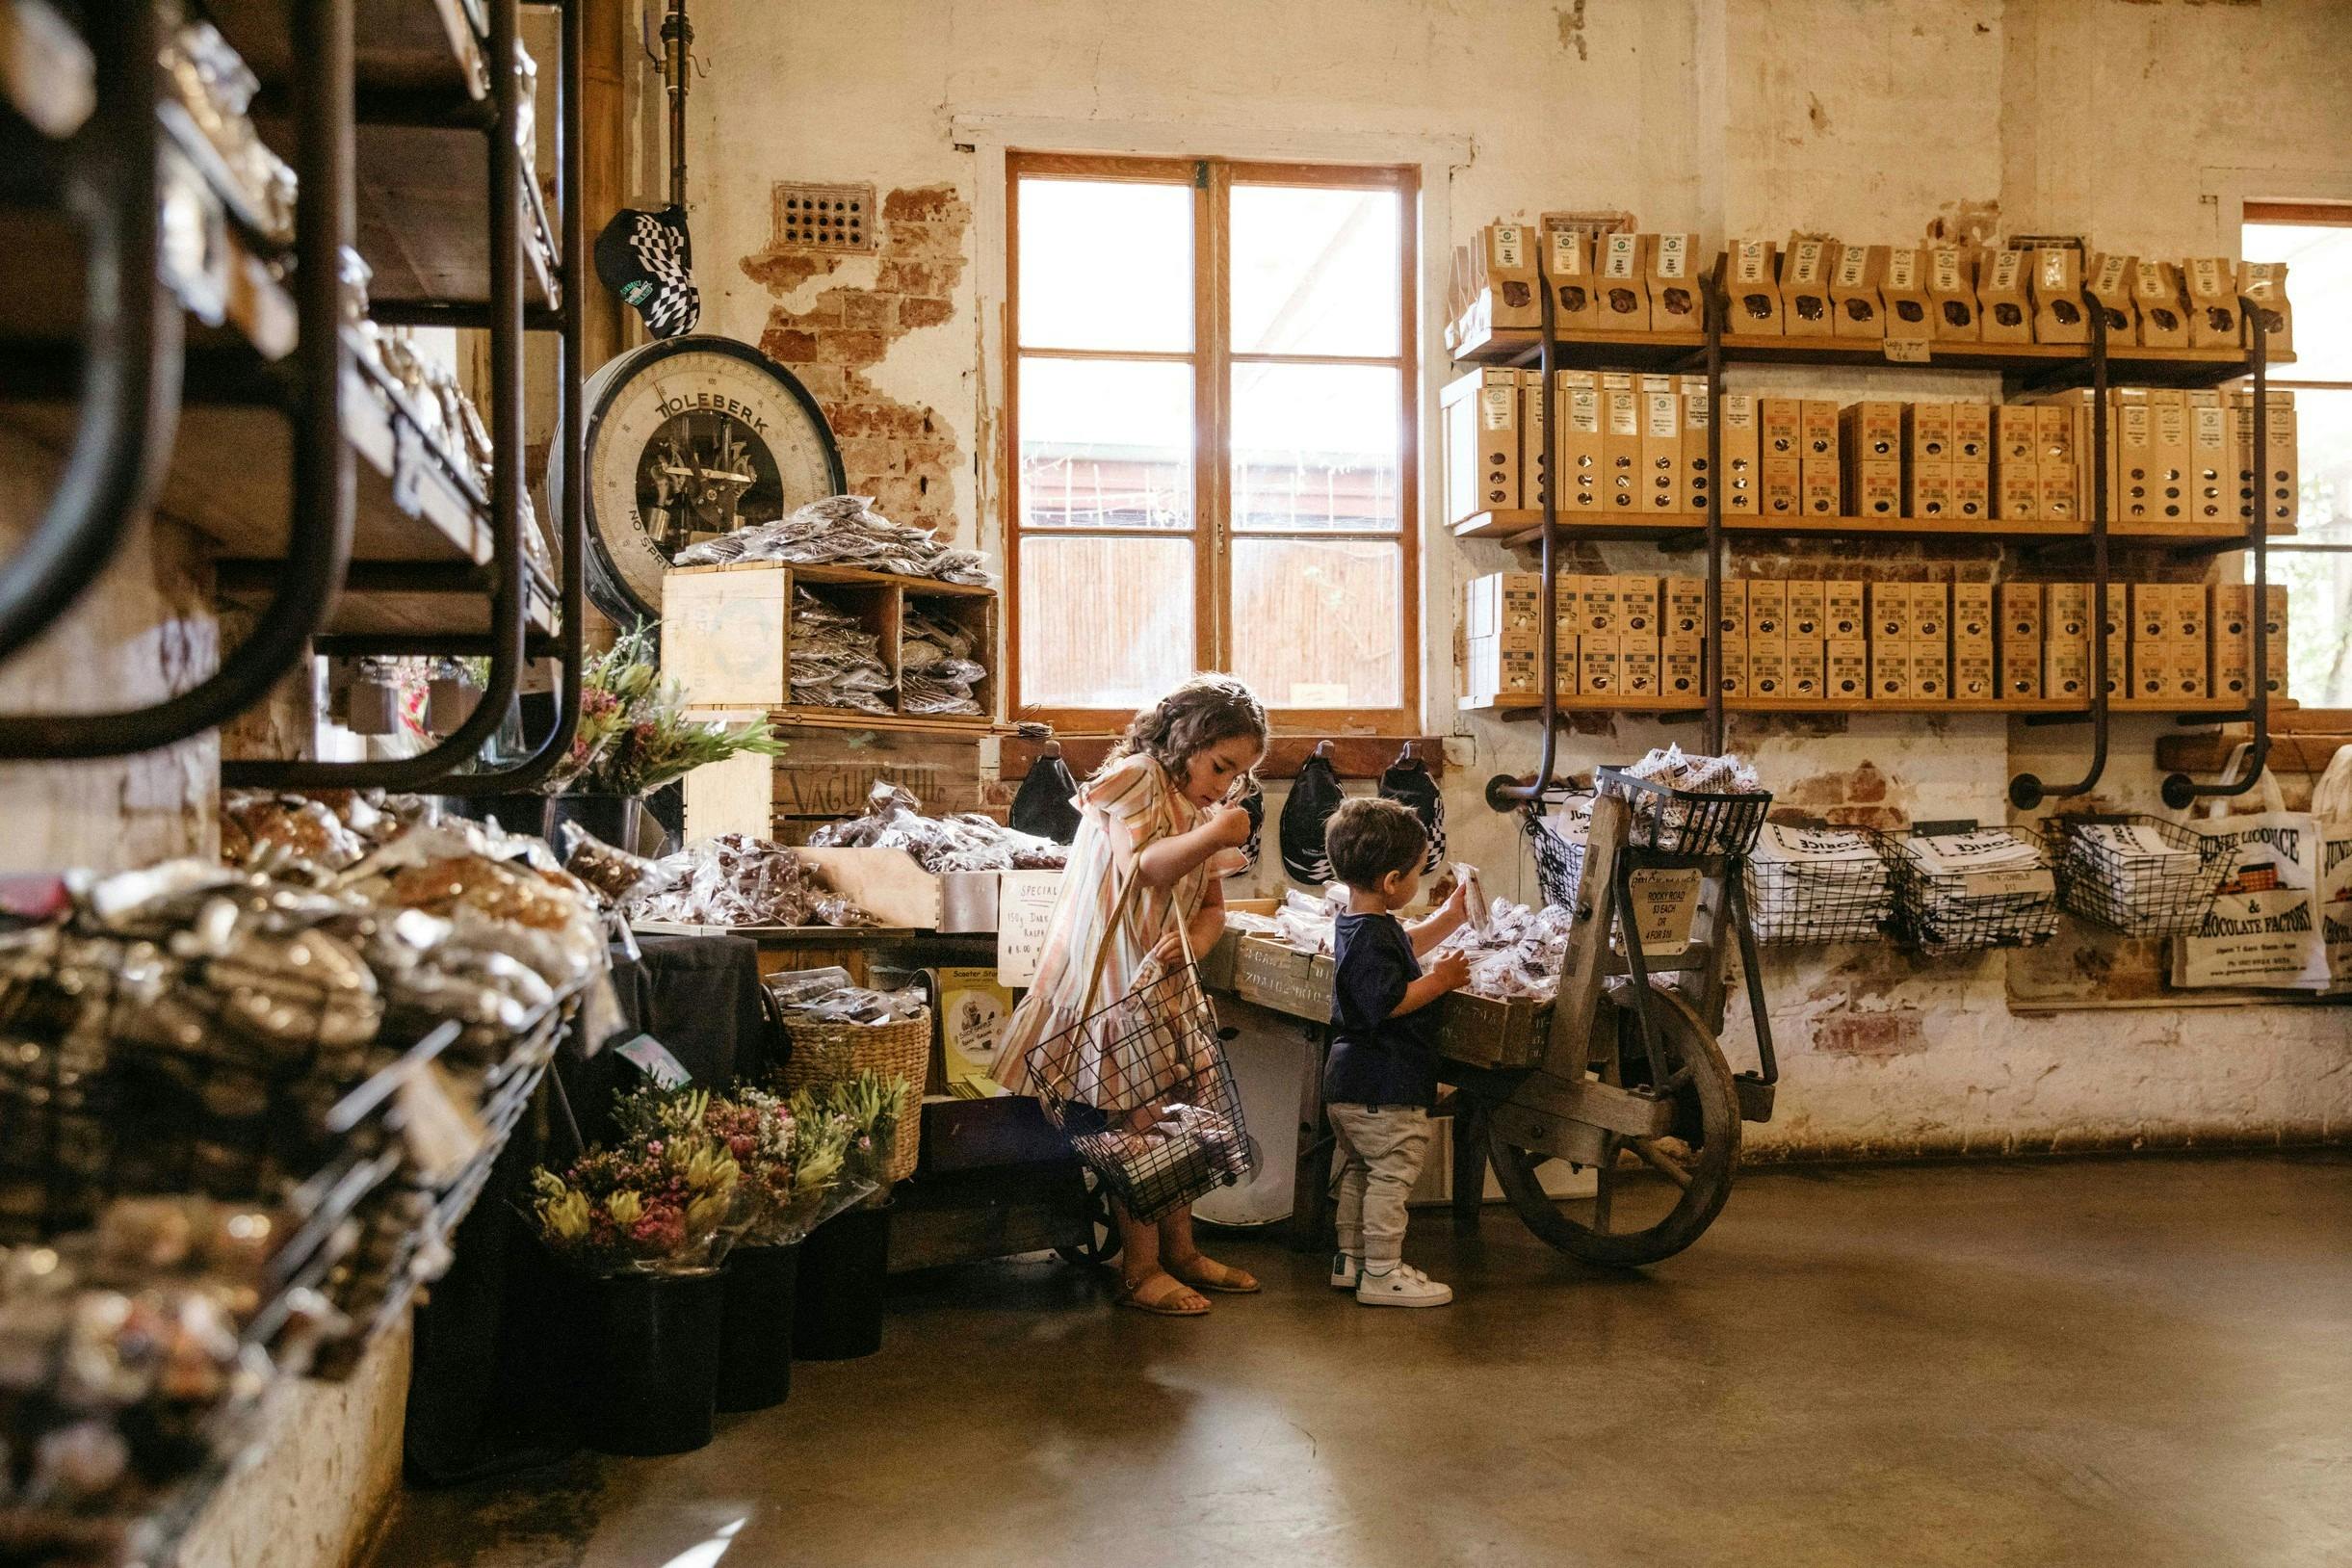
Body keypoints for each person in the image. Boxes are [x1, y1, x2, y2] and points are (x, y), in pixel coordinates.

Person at [997, 675, 1268, 1318]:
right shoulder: (1140, 778)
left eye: (1239, 776)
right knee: (1137, 1123)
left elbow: (1210, 908)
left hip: (1162, 988)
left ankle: (1181, 1248)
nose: (1225, 785)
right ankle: (1140, 1266)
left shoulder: (1202, 812)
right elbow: (1145, 864)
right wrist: (1219, 832)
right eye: (1219, 765)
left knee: (1177, 1120)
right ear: (1184, 741)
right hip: (1112, 984)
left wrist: (1195, 946)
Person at [1320, 797, 1472, 1307]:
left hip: (1352, 1083)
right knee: (1392, 1173)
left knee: (1362, 1171)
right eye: (1416, 874)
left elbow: (1405, 945)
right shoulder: (1373, 936)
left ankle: (1354, 1261)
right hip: (1383, 1083)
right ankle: (1384, 1274)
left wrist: (1451, 917)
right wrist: (1441, 981)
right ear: (1391, 882)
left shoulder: (1362, 926)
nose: (1419, 883)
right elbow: (1390, 1002)